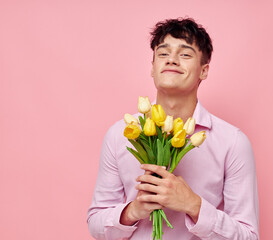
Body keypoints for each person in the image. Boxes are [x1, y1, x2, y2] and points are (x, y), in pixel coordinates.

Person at [87, 18, 259, 240]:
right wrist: (133, 211)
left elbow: (248, 236)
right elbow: (96, 224)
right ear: (152, 68)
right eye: (163, 54)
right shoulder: (120, 134)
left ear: (204, 71)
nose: (172, 60)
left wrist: (194, 205)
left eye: (185, 54)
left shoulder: (233, 142)